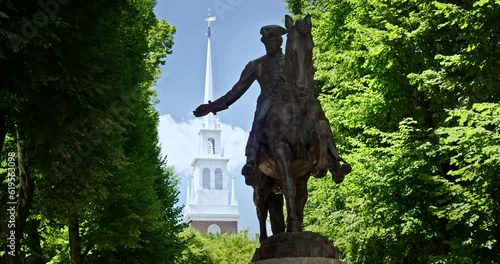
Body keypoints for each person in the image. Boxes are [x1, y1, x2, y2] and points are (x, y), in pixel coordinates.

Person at [193, 25, 287, 186]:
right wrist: (211, 107)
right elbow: (236, 91)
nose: (270, 44)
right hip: (269, 99)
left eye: (272, 40)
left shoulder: (293, 60)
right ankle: (251, 160)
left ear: (279, 40)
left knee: (316, 115)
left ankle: (331, 157)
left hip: (291, 98)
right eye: (266, 42)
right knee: (260, 120)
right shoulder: (256, 65)